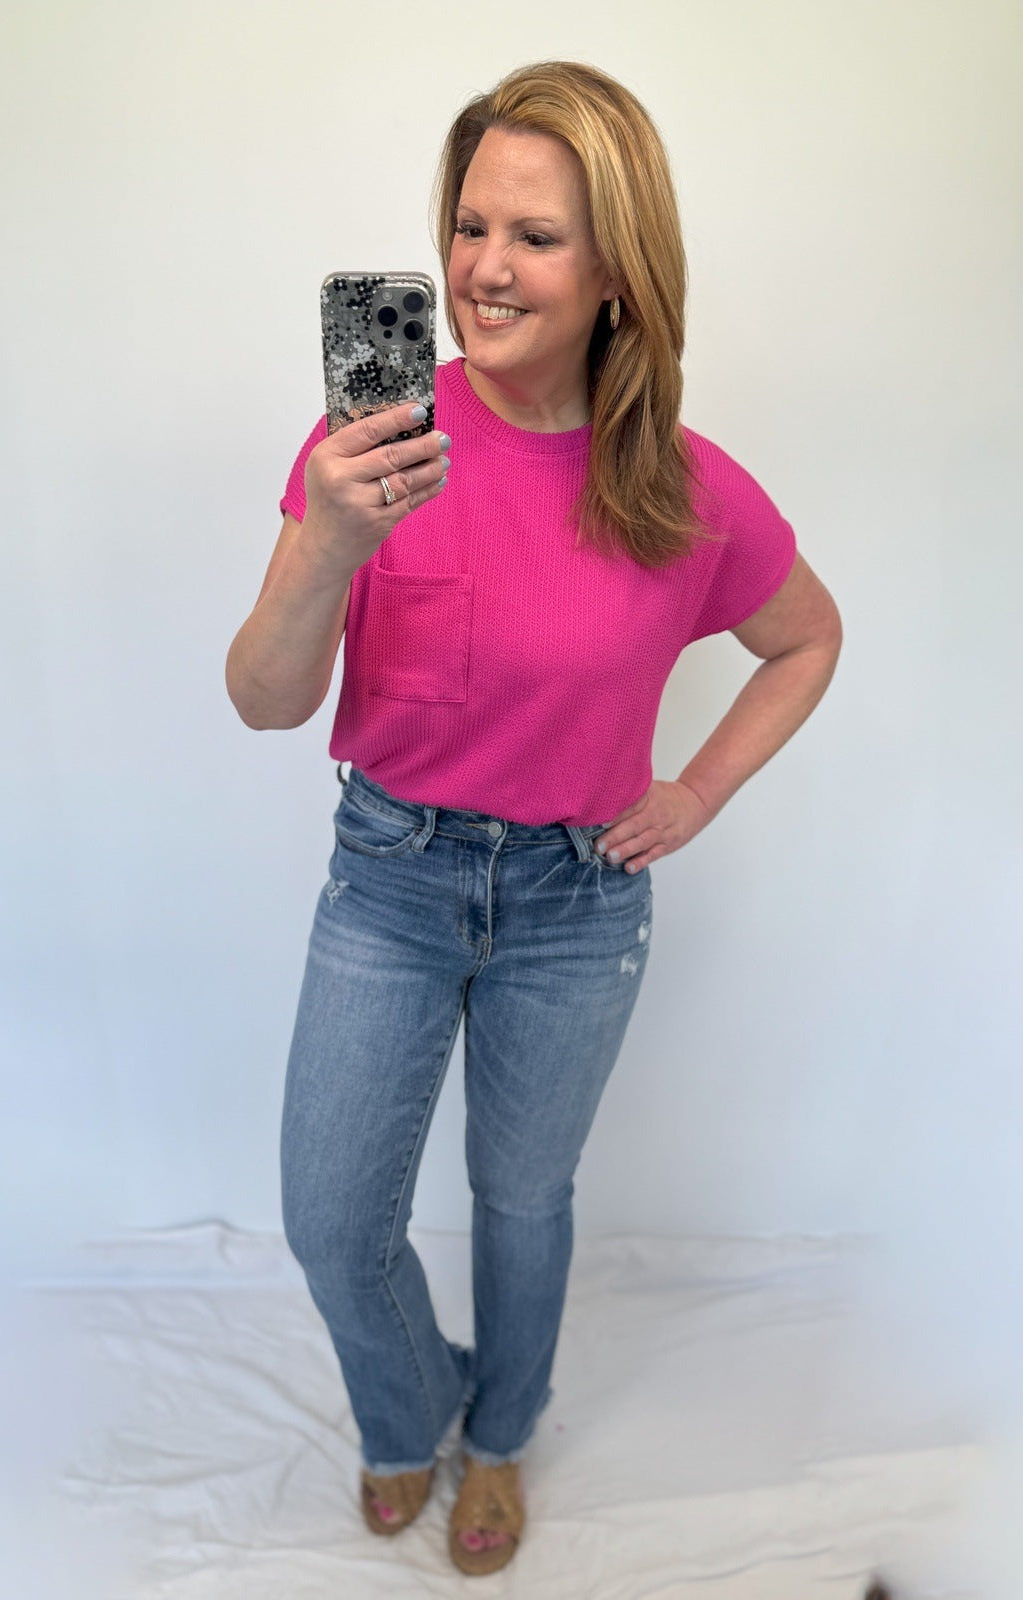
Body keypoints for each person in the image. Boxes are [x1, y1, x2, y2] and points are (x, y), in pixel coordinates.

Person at [226, 59, 842, 1578]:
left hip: (579, 903)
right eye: (469, 224)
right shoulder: (372, 448)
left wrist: (695, 791)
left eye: (535, 236)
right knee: (331, 1220)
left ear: (619, 269)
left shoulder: (683, 489)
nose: (484, 268)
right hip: (390, 880)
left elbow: (807, 638)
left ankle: (500, 1437)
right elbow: (263, 701)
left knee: (522, 1199)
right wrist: (325, 544)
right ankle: (411, 1412)